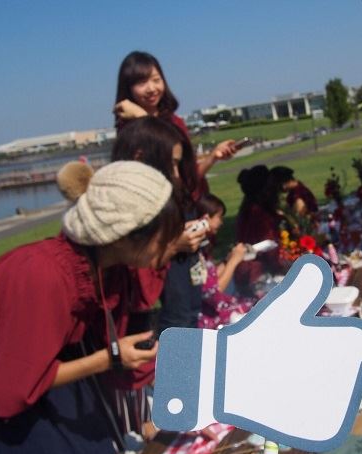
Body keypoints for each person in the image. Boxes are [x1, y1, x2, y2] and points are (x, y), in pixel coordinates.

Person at [0, 162, 182, 454]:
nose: (173, 244)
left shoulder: (110, 268)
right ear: (124, 235)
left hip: (50, 367)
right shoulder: (43, 274)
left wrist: (183, 404)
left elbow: (120, 350)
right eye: (166, 236)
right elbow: (15, 382)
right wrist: (109, 359)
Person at [113, 51, 236, 200]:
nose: (151, 88)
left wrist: (213, 156)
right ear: (128, 87)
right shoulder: (128, 130)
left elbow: (188, 178)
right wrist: (142, 117)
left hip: (190, 206)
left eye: (156, 80)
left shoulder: (175, 122)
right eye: (141, 83)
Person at [195, 194, 254, 329]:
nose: (221, 222)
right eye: (219, 217)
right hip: (208, 318)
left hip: (211, 309)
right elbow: (214, 292)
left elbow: (210, 279)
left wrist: (227, 260)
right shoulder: (193, 253)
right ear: (206, 218)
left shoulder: (201, 248)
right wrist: (234, 261)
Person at [234, 165, 284, 288]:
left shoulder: (249, 209)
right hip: (259, 276)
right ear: (265, 189)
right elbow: (270, 248)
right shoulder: (259, 215)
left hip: (250, 272)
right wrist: (284, 267)